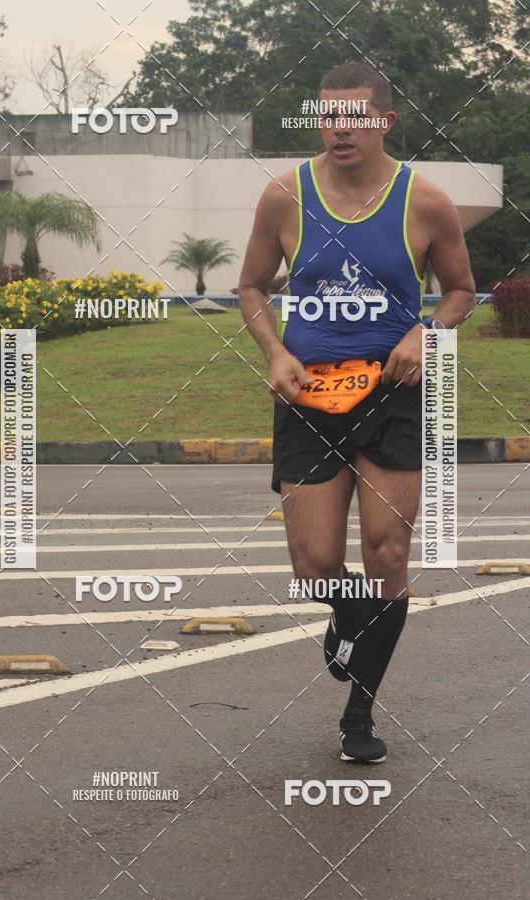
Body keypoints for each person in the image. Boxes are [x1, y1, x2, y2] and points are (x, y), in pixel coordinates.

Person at [238, 62, 475, 763]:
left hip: (394, 397)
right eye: (329, 117)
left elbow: (461, 291)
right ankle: (348, 617)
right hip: (308, 396)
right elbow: (250, 287)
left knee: (387, 553)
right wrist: (274, 353)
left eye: (356, 118)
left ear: (385, 123)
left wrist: (423, 335)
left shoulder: (425, 201)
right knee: (315, 568)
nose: (340, 129)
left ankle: (359, 715)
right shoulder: (284, 195)